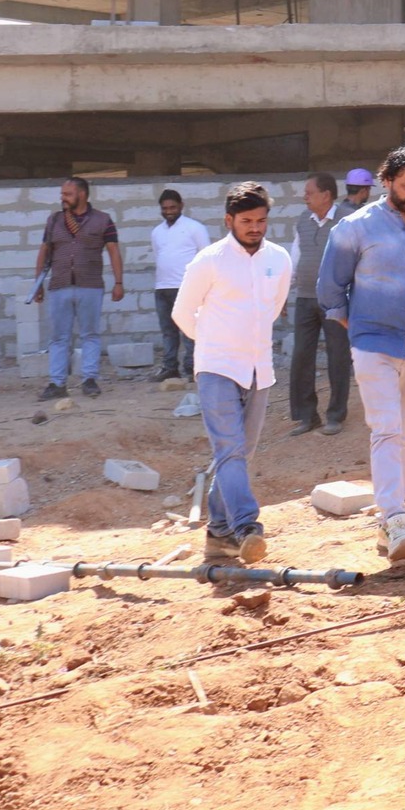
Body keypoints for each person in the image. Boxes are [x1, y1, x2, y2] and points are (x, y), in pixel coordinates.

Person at [318, 146, 405, 563]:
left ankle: (391, 522)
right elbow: (331, 288)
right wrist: (360, 327)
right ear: (387, 182)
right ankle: (396, 518)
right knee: (386, 429)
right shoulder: (355, 227)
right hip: (373, 342)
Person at [171, 182, 292, 564]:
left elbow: (274, 308)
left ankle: (219, 532)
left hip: (259, 368)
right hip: (216, 368)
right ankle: (246, 526)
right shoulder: (209, 260)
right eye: (246, 221)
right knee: (230, 449)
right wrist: (212, 343)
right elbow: (181, 313)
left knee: (241, 453)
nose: (255, 228)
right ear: (229, 221)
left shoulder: (279, 259)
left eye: (261, 221)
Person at [32, 176, 124, 401]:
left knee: (90, 334)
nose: (63, 198)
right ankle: (57, 383)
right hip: (59, 285)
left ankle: (89, 380)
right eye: (62, 194)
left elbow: (113, 251)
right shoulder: (54, 220)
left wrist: (118, 282)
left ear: (82, 195)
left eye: (67, 194)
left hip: (90, 285)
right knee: (58, 337)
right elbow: (44, 251)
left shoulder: (103, 220)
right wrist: (37, 283)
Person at [287, 173, 352, 436]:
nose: (305, 197)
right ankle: (307, 416)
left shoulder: (347, 221)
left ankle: (335, 415)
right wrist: (283, 292)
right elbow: (295, 257)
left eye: (309, 192)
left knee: (338, 356)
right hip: (305, 297)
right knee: (302, 356)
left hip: (335, 299)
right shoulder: (303, 220)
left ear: (326, 195)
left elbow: (356, 258)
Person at [149, 190, 209, 382]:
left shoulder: (195, 228)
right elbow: (159, 255)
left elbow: (206, 257)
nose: (169, 211)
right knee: (168, 330)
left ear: (181, 206)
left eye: (172, 207)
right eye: (165, 208)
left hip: (187, 287)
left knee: (190, 330)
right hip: (162, 287)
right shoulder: (157, 232)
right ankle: (170, 367)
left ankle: (192, 368)